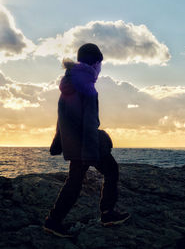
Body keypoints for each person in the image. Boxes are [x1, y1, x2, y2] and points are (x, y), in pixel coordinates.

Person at [43, 43, 130, 238]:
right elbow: (90, 123)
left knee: (74, 181)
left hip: (74, 143)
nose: (100, 68)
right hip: (86, 144)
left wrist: (58, 141)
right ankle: (107, 214)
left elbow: (62, 116)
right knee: (111, 171)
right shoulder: (87, 87)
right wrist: (90, 153)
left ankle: (54, 220)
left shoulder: (69, 81)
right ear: (96, 63)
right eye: (100, 64)